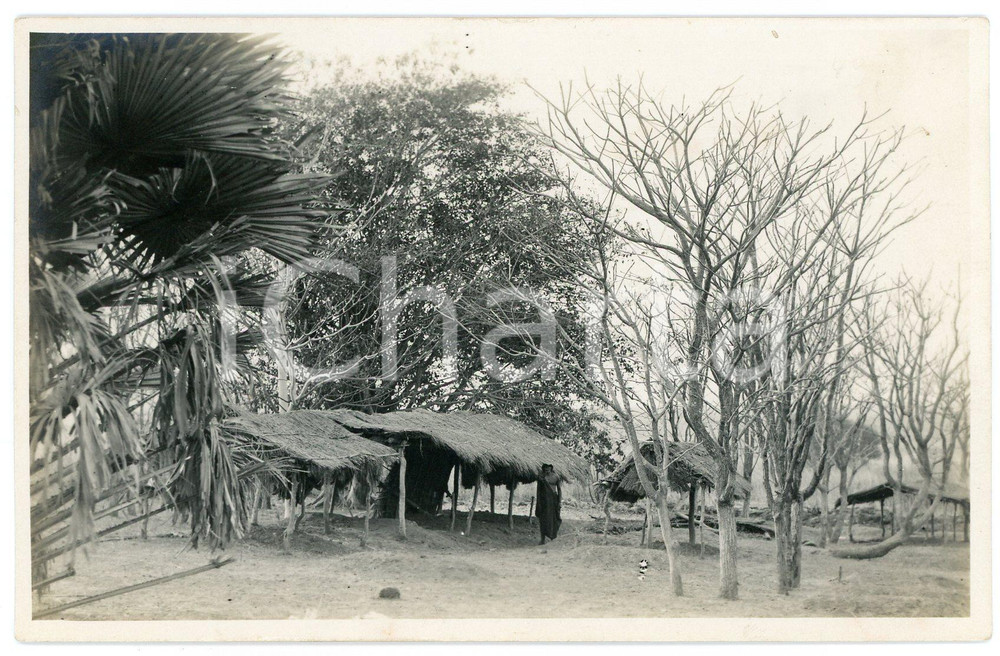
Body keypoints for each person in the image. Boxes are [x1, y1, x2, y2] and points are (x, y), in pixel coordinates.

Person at [535, 464, 562, 545]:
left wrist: (560, 501)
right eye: (545, 469)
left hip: (554, 500)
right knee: (543, 519)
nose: (547, 470)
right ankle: (542, 539)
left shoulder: (556, 477)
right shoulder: (541, 478)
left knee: (555, 518)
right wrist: (539, 503)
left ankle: (554, 537)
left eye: (548, 469)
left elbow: (559, 490)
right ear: (543, 469)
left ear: (551, 468)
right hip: (544, 501)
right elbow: (539, 491)